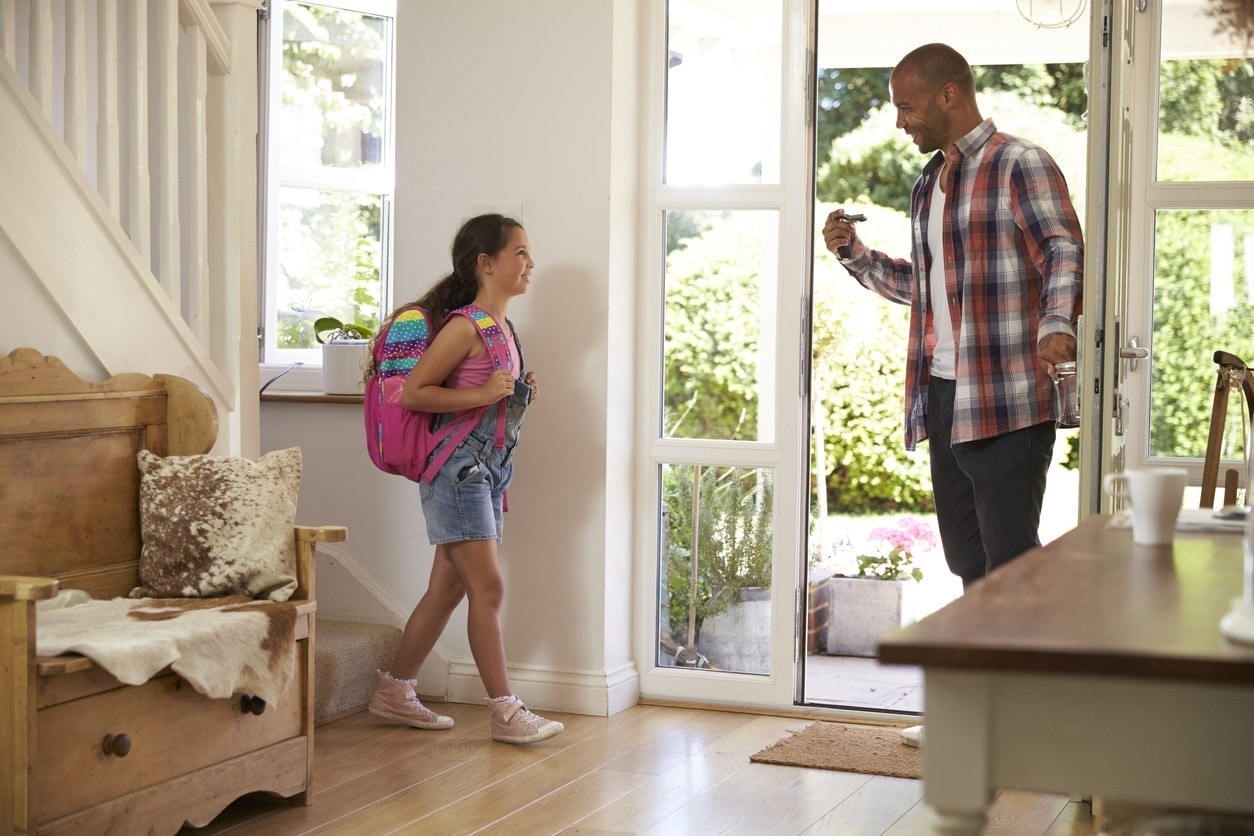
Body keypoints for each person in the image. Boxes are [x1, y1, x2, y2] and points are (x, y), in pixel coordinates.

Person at [822, 44, 1083, 744]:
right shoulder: (928, 184)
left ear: (949, 94)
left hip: (1006, 399)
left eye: (906, 104)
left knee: (1011, 567)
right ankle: (974, 715)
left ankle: (1030, 721)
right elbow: (926, 293)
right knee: (969, 564)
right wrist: (854, 256)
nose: (899, 119)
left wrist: (1056, 323)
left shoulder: (1017, 163)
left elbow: (1061, 247)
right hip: (944, 397)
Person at [366, 213, 564, 745]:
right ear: (486, 263)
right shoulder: (464, 326)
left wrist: (519, 392)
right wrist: (483, 394)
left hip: (490, 470)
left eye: (528, 252)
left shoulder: (504, 328)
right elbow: (415, 393)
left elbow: (491, 400)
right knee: (489, 587)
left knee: (448, 588)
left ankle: (394, 691)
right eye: (519, 252)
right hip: (459, 471)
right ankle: (505, 711)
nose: (530, 262)